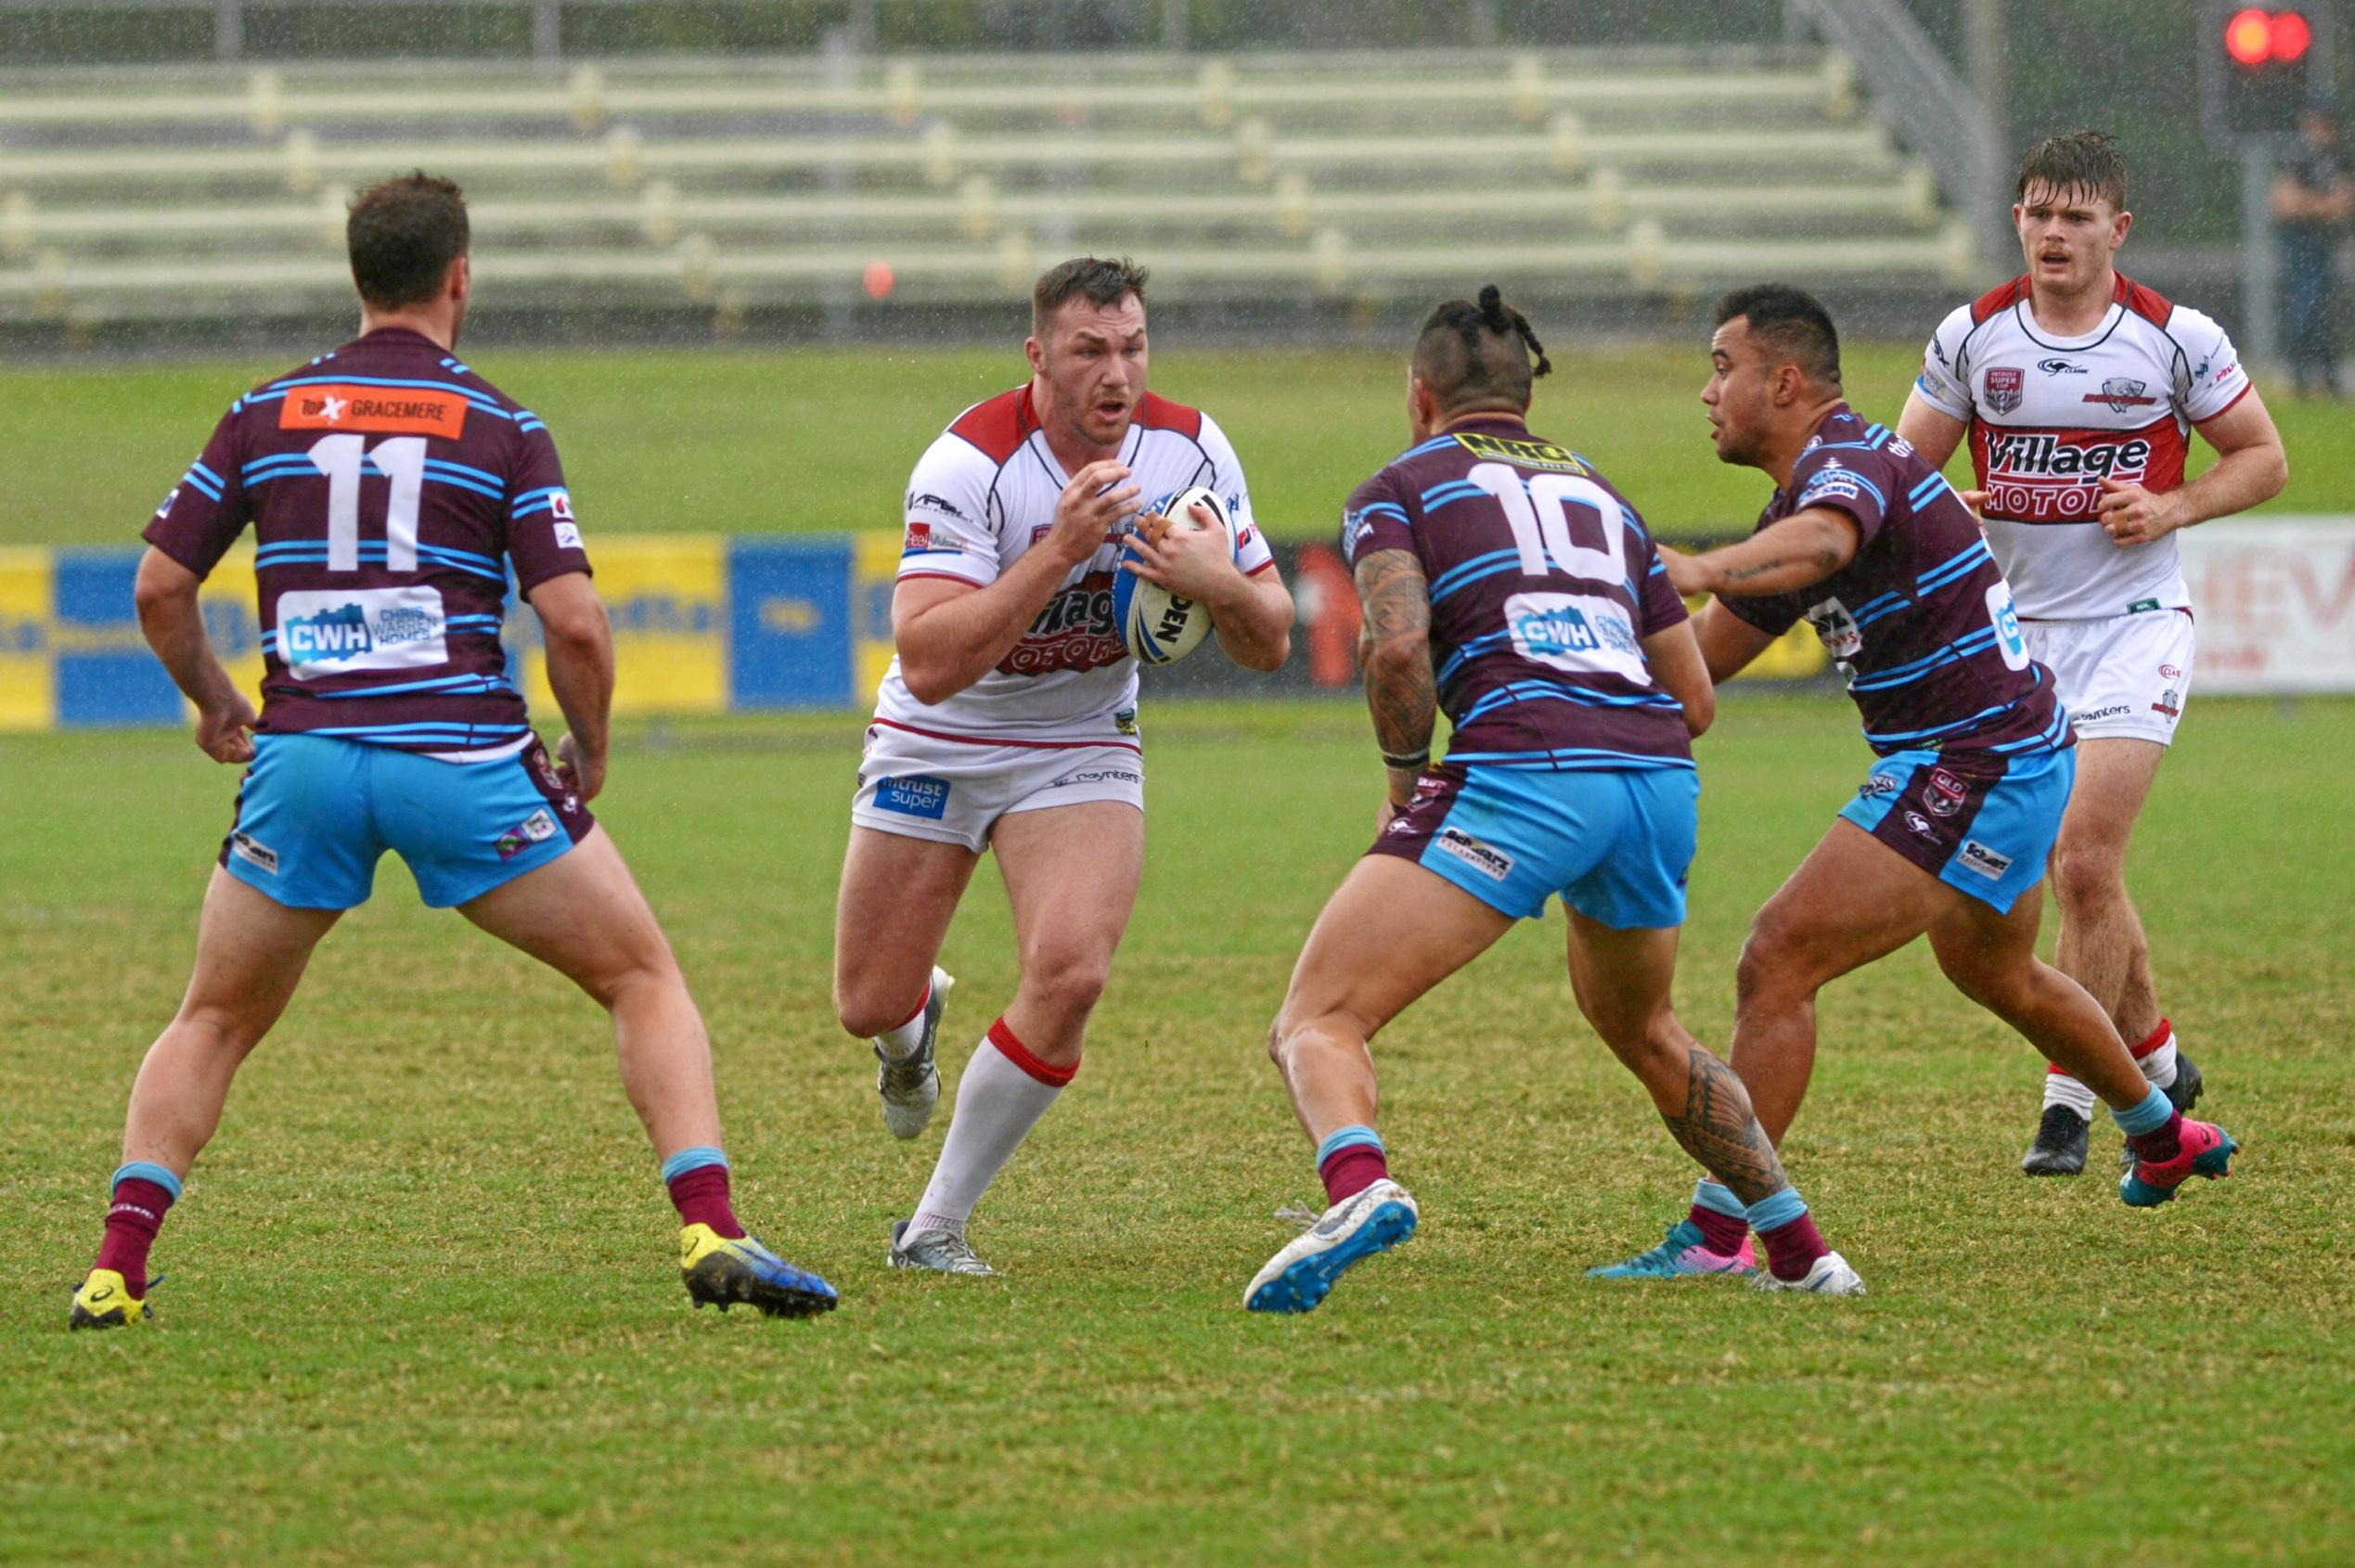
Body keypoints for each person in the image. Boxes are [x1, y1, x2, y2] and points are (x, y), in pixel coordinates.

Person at [70, 172, 834, 1330]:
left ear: (360, 277)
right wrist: (591, 742)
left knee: (214, 1019)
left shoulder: (264, 410)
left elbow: (160, 585)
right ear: (459, 277)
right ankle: (711, 1227)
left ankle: (115, 1270)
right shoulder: (501, 425)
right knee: (640, 978)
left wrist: (221, 702)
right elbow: (574, 620)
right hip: (464, 762)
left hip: (307, 761)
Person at [1586, 284, 2239, 1283]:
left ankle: (1719, 1236)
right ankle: (2161, 1131)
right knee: (1999, 972)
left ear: (1785, 380)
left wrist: (1706, 565)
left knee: (1778, 959)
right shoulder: (1807, 492)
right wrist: (1577, 682)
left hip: (1972, 760)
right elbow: (1700, 667)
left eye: (1724, 368)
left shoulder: (1844, 468)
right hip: (2010, 749)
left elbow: (1827, 542)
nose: (1707, 392)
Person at [1246, 287, 1864, 1314]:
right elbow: (1696, 698)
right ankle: (1803, 1251)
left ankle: (1358, 1188)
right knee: (1651, 1030)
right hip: (1658, 781)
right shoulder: (1604, 495)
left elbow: (1396, 645)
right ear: (1525, 397)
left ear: (1420, 396)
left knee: (1317, 1017)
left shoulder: (1398, 487)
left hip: (1529, 774)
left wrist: (1408, 792)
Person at [832, 256, 1294, 1277]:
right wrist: (1058, 550)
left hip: (1081, 739)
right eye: (1089, 350)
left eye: (1131, 347)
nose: (1115, 374)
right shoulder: (968, 464)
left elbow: (1271, 642)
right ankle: (909, 1038)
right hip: (939, 737)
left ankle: (935, 1225)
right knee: (868, 998)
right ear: (1038, 357)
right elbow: (930, 661)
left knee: (1073, 968)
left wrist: (1222, 586)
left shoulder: (1192, 451)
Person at [1897, 131, 2288, 1176]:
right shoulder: (1974, 335)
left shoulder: (2173, 337)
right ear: (2017, 220)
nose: (2055, 233)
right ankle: (2157, 1060)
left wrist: (2171, 503)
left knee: (2082, 861)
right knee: (2064, 879)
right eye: (2038, 212)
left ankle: (2070, 1107)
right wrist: (1947, 506)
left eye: (2077, 217)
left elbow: (2263, 458)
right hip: (2016, 642)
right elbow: (1903, 478)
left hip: (2134, 627)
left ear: (2118, 229)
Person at [2271, 103, 2351, 399]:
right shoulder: (2298, 158)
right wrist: (2322, 205)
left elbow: (2343, 204)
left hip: (2325, 244)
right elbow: (2283, 203)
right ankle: (2302, 375)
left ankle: (2326, 375)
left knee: (2324, 310)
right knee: (2305, 307)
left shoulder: (2339, 158)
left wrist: (2309, 205)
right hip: (2301, 245)